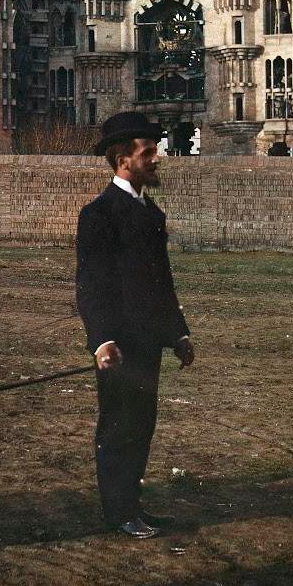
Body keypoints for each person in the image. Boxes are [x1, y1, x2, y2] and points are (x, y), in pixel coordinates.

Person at [76, 111, 195, 540]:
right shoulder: (99, 214)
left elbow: (161, 282)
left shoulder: (151, 213)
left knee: (141, 424)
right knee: (118, 426)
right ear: (123, 160)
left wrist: (178, 333)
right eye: (148, 152)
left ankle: (132, 505)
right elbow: (91, 285)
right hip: (119, 347)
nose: (156, 158)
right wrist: (102, 340)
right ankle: (119, 512)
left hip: (147, 343)